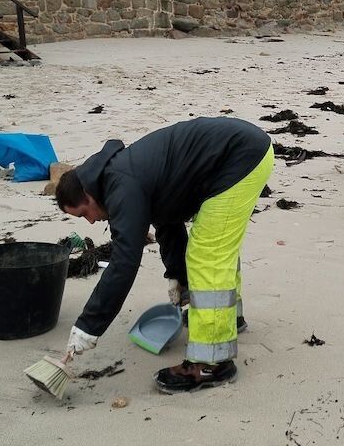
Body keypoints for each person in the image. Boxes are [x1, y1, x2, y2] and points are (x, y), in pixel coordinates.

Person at [53, 116, 274, 393]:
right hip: (241, 151)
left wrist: (88, 327)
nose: (89, 222)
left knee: (208, 253)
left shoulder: (122, 187)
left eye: (84, 213)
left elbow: (124, 262)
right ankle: (228, 320)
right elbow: (168, 223)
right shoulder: (120, 177)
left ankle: (211, 364)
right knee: (215, 246)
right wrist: (178, 277)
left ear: (88, 194)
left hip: (240, 157)